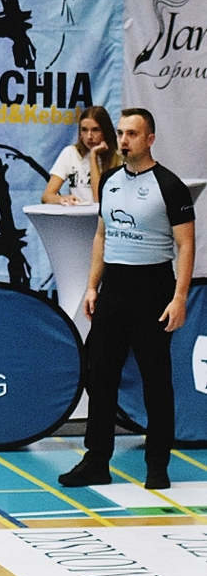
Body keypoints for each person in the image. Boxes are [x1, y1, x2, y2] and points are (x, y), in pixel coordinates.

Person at [59, 108, 195, 490]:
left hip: (152, 287)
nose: (123, 140)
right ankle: (96, 461)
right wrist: (92, 286)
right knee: (100, 374)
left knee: (155, 379)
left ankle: (157, 465)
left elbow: (186, 245)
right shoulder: (111, 181)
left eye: (132, 134)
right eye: (120, 133)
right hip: (114, 288)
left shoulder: (170, 186)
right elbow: (101, 235)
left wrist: (179, 298)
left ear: (150, 139)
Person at [43, 106, 120, 205]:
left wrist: (93, 156)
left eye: (95, 130)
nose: (89, 136)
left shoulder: (118, 157)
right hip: (77, 213)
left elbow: (98, 199)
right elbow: (46, 196)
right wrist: (62, 199)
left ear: (105, 131)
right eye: (84, 130)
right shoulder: (70, 153)